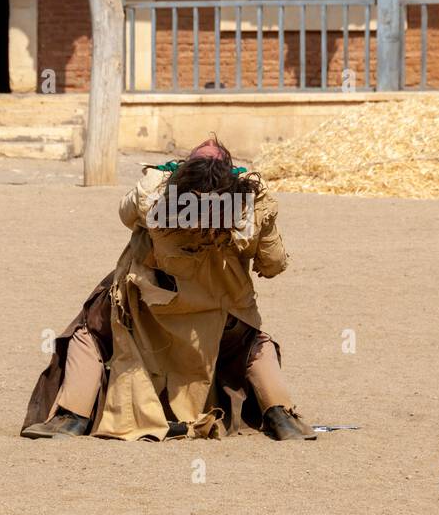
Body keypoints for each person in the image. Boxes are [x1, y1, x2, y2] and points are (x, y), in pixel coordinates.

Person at [22, 137, 316, 442]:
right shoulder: (254, 202)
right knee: (255, 343)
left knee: (89, 332)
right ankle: (281, 414)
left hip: (148, 315)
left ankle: (71, 417)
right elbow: (274, 265)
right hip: (222, 318)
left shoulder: (154, 191)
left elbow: (124, 215)